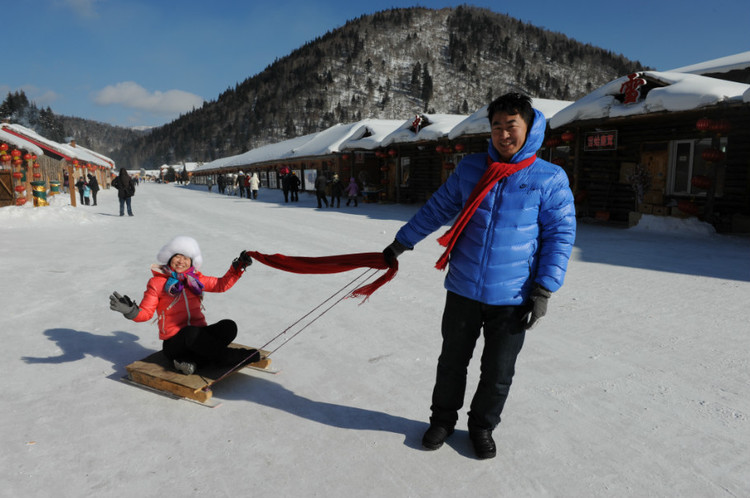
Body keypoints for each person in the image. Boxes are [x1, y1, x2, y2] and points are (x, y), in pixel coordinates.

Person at [382, 93, 576, 460]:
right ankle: (442, 420)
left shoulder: (549, 178)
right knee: (452, 361)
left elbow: (560, 235)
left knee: (499, 370)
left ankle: (482, 426)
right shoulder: (471, 168)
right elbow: (438, 207)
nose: (503, 134)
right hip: (464, 288)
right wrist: (401, 242)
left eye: (511, 125)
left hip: (513, 295)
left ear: (530, 126)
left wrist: (544, 289)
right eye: (497, 126)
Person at [109, 236, 258, 375]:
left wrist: (238, 268)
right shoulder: (157, 283)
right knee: (191, 333)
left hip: (197, 336)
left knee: (228, 326)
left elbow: (220, 285)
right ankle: (226, 357)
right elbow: (146, 313)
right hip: (175, 344)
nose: (181, 261)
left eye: (186, 258)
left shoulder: (195, 279)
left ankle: (192, 362)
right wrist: (131, 311)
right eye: (177, 256)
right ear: (169, 259)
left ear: (192, 262)